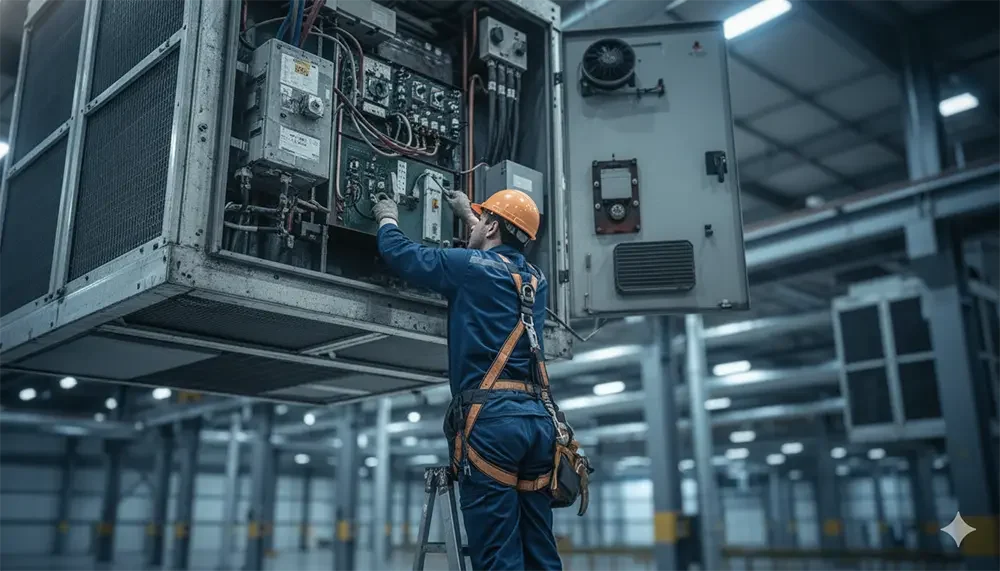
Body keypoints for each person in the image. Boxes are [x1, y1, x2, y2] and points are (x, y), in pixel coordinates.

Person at [372, 189, 562, 571]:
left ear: (492, 225)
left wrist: (387, 217)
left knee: (498, 555)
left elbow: (403, 255)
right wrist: (471, 218)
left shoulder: (467, 267)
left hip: (492, 425)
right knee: (539, 551)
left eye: (483, 219)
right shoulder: (535, 281)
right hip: (539, 425)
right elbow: (499, 256)